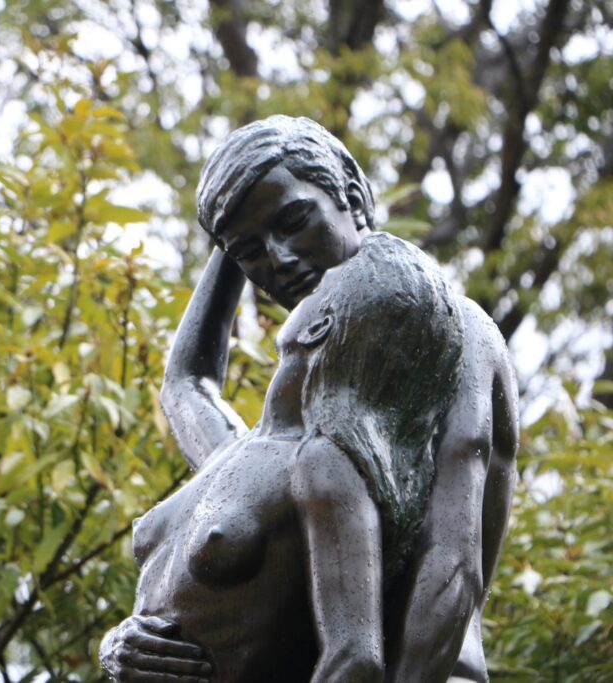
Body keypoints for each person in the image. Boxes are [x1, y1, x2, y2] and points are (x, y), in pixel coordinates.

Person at [100, 116, 518, 683]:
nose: (281, 259)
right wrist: (123, 645)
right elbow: (187, 385)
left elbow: (452, 562)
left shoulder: (449, 326)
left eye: (295, 221)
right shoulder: (278, 443)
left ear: (350, 194)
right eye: (251, 251)